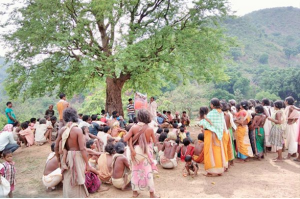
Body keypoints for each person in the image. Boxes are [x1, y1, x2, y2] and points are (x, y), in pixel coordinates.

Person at [54, 107, 90, 198]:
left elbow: (56, 146)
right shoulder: (78, 130)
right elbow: (82, 148)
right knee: (77, 179)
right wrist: (87, 163)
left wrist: (59, 160)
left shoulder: (62, 130)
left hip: (66, 157)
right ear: (75, 116)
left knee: (67, 179)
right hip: (76, 156)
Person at [123, 109, 159, 198]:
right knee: (148, 173)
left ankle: (135, 193)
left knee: (135, 172)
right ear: (147, 117)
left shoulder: (133, 127)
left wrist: (131, 138)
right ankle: (152, 194)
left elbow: (125, 139)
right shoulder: (150, 128)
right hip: (146, 152)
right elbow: (154, 141)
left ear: (138, 117)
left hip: (135, 153)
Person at [199, 98, 226, 176]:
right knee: (218, 151)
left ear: (212, 105)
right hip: (218, 134)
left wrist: (202, 121)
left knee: (209, 151)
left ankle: (210, 171)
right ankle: (220, 170)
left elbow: (204, 123)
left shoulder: (211, 113)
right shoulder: (221, 112)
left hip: (210, 134)